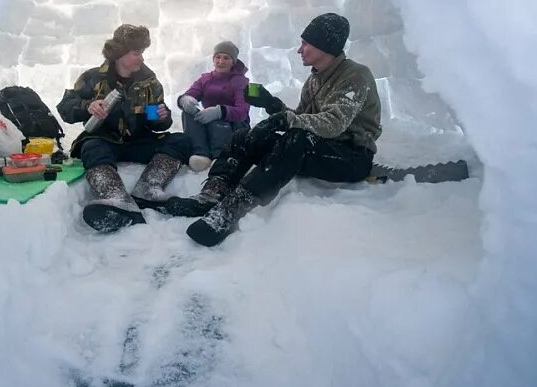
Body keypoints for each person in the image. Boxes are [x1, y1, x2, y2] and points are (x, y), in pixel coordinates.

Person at [161, 13, 382, 247]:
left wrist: (283, 120)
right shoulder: (315, 79)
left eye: (306, 43)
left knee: (296, 139)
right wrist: (272, 105)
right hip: (319, 147)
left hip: (352, 156)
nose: (300, 49)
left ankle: (231, 210)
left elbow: (333, 123)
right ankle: (213, 193)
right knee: (244, 136)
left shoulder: (355, 76)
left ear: (325, 46)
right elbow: (303, 118)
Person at [57, 24, 190, 233]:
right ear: (119, 54)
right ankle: (115, 197)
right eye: (137, 53)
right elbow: (65, 107)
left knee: (180, 140)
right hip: (105, 140)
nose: (142, 58)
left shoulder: (149, 81)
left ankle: (148, 189)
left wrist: (161, 117)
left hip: (138, 141)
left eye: (142, 52)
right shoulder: (93, 78)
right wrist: (86, 106)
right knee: (90, 146)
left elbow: (157, 122)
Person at [178, 41, 250, 172]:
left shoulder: (241, 82)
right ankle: (200, 153)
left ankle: (221, 156)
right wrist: (186, 100)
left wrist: (219, 111)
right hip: (208, 119)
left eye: (226, 58)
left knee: (217, 122)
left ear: (233, 61)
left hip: (234, 125)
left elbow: (242, 112)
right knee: (187, 112)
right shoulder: (205, 79)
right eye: (218, 57)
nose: (221, 61)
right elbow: (191, 92)